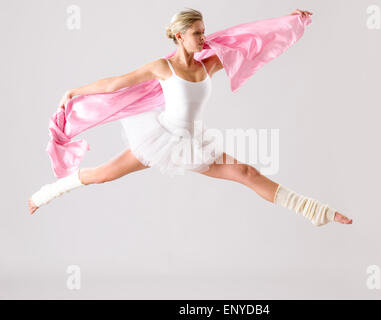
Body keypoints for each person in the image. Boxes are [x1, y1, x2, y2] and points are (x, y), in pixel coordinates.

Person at [28, 8, 353, 227]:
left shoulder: (208, 64)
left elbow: (251, 41)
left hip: (194, 141)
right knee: (102, 175)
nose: (203, 38)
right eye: (197, 33)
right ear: (180, 36)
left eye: (203, 32)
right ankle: (43, 195)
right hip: (160, 139)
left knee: (246, 171)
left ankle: (316, 211)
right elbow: (115, 83)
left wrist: (288, 22)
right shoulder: (162, 67)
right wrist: (73, 92)